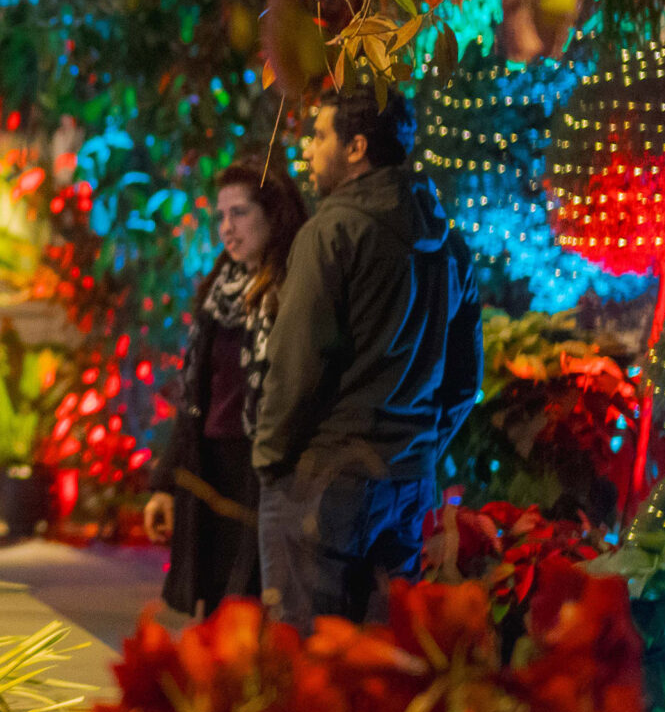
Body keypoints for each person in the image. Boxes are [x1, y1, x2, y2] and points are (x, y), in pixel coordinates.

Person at [252, 87, 483, 632]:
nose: (307, 150)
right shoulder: (448, 242)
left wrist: (270, 459)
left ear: (356, 147)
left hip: (326, 480)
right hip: (408, 484)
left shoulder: (333, 232)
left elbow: (298, 365)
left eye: (318, 136)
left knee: (306, 664)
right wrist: (421, 444)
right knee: (381, 663)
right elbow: (465, 379)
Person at [142, 164, 308, 617]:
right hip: (210, 468)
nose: (226, 229)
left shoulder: (296, 289)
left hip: (265, 470)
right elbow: (195, 397)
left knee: (259, 608)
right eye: (220, 217)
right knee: (217, 613)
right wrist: (165, 485)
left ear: (273, 215)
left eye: (239, 213)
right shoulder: (220, 291)